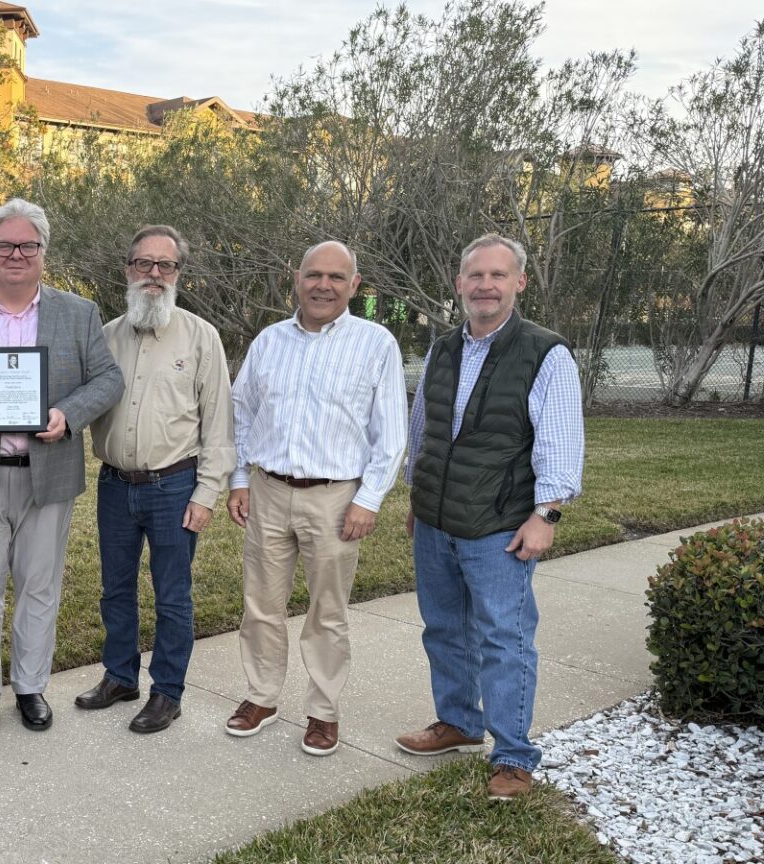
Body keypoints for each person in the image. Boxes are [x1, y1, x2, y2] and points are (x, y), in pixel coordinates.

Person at [396, 233, 584, 801]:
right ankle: (458, 723)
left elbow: (560, 441)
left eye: (498, 276)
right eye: (475, 276)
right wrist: (416, 494)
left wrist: (546, 513)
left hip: (500, 526)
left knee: (505, 638)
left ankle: (513, 755)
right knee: (445, 628)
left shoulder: (545, 352)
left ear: (519, 283)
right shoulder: (443, 348)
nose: (485, 285)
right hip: (436, 520)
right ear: (459, 283)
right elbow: (423, 427)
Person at [0, 197, 123, 734]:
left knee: (40, 586)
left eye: (27, 245)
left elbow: (107, 380)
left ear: (42, 252)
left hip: (47, 474)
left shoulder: (78, 313)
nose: (15, 254)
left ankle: (32, 687)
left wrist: (66, 414)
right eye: (4, 245)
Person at [224, 240, 407, 756]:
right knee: (260, 604)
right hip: (267, 491)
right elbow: (241, 415)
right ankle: (262, 697)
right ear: (297, 279)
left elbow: (390, 433)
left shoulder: (375, 344)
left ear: (355, 285)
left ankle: (323, 711)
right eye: (313, 275)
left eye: (335, 277)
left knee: (327, 611)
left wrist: (368, 499)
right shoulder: (269, 342)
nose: (323, 285)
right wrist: (238, 480)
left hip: (334, 498)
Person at [78, 224, 234, 733]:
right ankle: (120, 676)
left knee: (172, 594)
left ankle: (167, 692)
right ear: (128, 269)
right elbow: (81, 404)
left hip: (176, 488)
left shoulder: (201, 337)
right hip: (114, 485)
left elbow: (218, 424)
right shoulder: (105, 337)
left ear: (178, 274)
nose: (155, 274)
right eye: (145, 263)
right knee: (114, 589)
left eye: (166, 265)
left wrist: (208, 493)